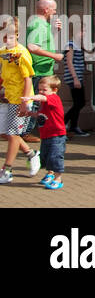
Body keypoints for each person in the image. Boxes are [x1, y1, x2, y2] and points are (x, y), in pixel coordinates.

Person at [0, 17, 39, 182]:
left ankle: (7, 170)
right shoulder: (3, 52)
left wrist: (24, 102)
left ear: (16, 35)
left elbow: (28, 78)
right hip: (7, 97)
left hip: (20, 99)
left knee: (13, 133)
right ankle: (32, 153)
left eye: (11, 35)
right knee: (5, 133)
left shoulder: (22, 53)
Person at [24, 76, 66, 190]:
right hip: (46, 135)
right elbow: (41, 115)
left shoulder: (54, 98)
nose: (41, 92)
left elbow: (42, 98)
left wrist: (30, 97)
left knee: (55, 157)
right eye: (39, 90)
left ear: (54, 90)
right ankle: (50, 174)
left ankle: (58, 179)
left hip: (57, 135)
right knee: (46, 157)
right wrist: (30, 114)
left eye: (44, 90)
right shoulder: (45, 103)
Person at [25, 0, 62, 89]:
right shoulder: (38, 24)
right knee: (38, 101)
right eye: (54, 9)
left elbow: (45, 43)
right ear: (46, 10)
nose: (55, 12)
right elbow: (32, 47)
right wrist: (54, 56)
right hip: (39, 73)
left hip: (44, 71)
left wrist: (54, 31)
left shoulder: (44, 25)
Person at [62, 26, 90, 136]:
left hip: (78, 77)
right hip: (74, 77)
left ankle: (73, 125)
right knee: (79, 102)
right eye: (82, 31)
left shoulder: (78, 46)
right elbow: (69, 62)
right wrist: (75, 78)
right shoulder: (70, 45)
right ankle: (65, 123)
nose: (84, 34)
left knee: (78, 102)